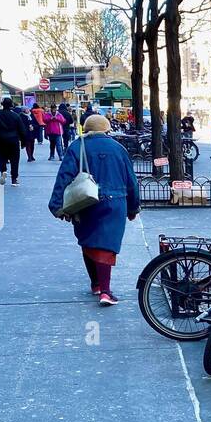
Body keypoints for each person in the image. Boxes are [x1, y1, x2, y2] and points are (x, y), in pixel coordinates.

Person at [49, 114, 141, 306]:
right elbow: (131, 180)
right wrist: (133, 207)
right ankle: (105, 292)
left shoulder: (77, 146)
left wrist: (57, 205)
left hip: (85, 201)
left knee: (89, 241)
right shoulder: (119, 148)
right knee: (106, 246)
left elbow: (64, 176)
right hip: (115, 202)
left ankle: (97, 284)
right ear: (107, 130)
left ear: (87, 129)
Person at [0, 96, 29, 185]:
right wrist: (23, 142)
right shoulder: (16, 116)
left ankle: (3, 171)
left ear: (2, 105)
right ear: (11, 105)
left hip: (1, 140)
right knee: (15, 159)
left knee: (1, 157)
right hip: (13, 140)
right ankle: (14, 179)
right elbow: (22, 130)